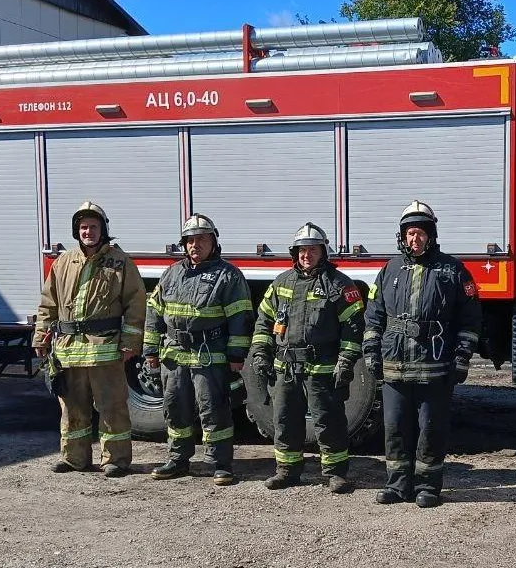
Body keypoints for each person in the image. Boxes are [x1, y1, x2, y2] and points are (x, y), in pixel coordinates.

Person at [362, 201, 482, 508]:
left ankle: (428, 486)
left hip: (435, 365)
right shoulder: (389, 270)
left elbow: (470, 318)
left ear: (431, 236)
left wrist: (462, 356)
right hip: (394, 365)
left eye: (420, 233)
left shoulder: (452, 270)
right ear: (402, 236)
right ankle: (397, 484)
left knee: (431, 428)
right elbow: (374, 315)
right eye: (410, 233)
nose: (415, 239)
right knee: (395, 427)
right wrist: (371, 352)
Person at [33, 201, 147, 478]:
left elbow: (136, 302)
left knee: (112, 408)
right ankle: (74, 458)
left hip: (105, 349)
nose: (88, 232)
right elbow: (49, 302)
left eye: (93, 227)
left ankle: (116, 460)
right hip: (69, 351)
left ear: (103, 230)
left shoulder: (120, 262)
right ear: (77, 231)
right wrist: (40, 337)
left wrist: (131, 341)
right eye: (83, 227)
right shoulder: (63, 262)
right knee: (72, 408)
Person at [249, 223, 364, 493]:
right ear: (294, 253)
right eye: (302, 250)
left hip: (322, 368)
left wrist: (346, 361)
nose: (306, 255)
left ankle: (335, 473)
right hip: (286, 368)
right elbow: (263, 321)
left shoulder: (339, 285)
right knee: (285, 420)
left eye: (312, 249)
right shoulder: (281, 283)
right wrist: (261, 354)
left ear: (323, 252)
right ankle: (287, 471)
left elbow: (354, 328)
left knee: (328, 420)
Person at [144, 214, 253, 483]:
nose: (195, 245)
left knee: (213, 408)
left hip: (209, 354)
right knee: (174, 407)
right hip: (173, 354)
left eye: (201, 239)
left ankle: (220, 463)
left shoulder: (228, 275)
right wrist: (150, 349)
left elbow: (241, 318)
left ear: (213, 242)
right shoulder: (172, 274)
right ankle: (178, 459)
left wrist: (237, 355)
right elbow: (155, 312)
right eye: (190, 241)